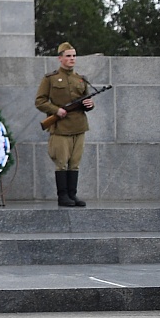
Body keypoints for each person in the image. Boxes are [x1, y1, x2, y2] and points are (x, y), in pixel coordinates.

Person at [35, 42, 95, 207]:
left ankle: (72, 195)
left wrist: (90, 104)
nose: (72, 59)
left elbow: (86, 101)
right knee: (61, 163)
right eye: (68, 56)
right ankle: (63, 196)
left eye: (74, 56)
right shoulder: (50, 78)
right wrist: (56, 110)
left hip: (79, 126)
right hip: (61, 127)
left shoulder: (81, 79)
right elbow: (40, 101)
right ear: (60, 58)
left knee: (75, 163)